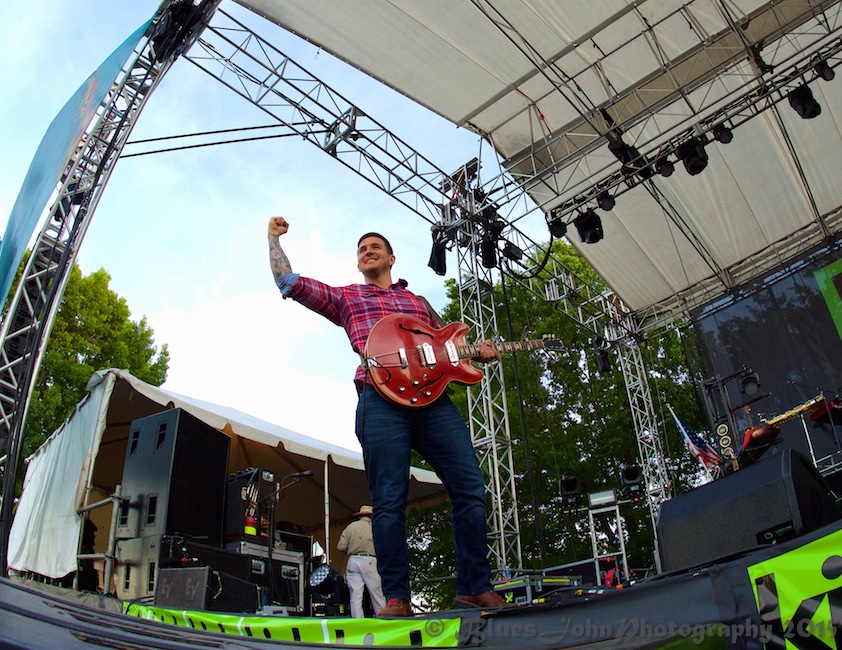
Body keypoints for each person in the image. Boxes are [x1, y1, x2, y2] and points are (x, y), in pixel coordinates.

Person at [267, 216, 506, 616]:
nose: (368, 251)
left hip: (432, 403)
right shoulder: (347, 297)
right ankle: (396, 598)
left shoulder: (418, 304)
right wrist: (273, 239)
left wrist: (476, 353)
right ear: (358, 263)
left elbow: (446, 349)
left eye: (375, 246)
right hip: (379, 400)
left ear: (391, 258)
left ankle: (475, 588)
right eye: (362, 249)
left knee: (470, 488)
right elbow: (288, 282)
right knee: (388, 502)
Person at [336, 505, 386, 617]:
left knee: (355, 594)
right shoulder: (375, 527)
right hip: (369, 559)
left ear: (360, 515)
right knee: (376, 592)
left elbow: (340, 546)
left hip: (353, 560)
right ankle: (382, 618)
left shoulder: (350, 527)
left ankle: (357, 620)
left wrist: (352, 550)